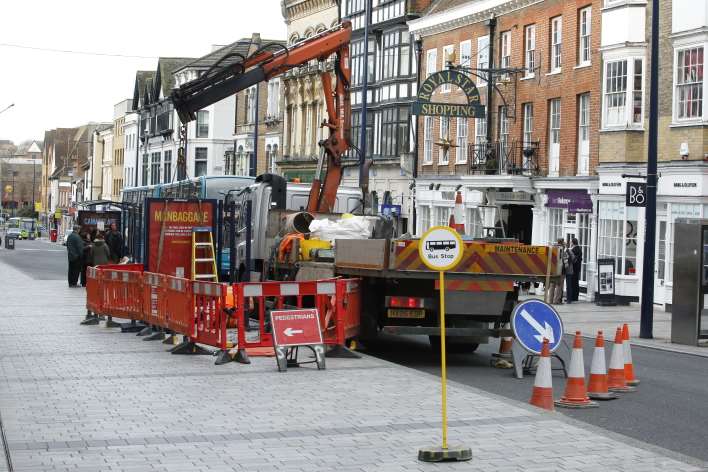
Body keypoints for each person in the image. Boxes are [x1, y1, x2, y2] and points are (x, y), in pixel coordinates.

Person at [546, 239, 565, 304]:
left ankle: (550, 300)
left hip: (552, 270)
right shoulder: (562, 249)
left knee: (552, 285)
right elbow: (565, 260)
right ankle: (556, 301)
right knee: (559, 286)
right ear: (562, 242)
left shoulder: (552, 249)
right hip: (560, 270)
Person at [570, 237, 582, 302]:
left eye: (571, 242)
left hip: (573, 268)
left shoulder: (574, 250)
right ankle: (576, 297)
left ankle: (572, 297)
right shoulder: (579, 249)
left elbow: (572, 259)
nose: (570, 243)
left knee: (572, 283)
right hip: (577, 268)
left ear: (573, 242)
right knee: (576, 283)